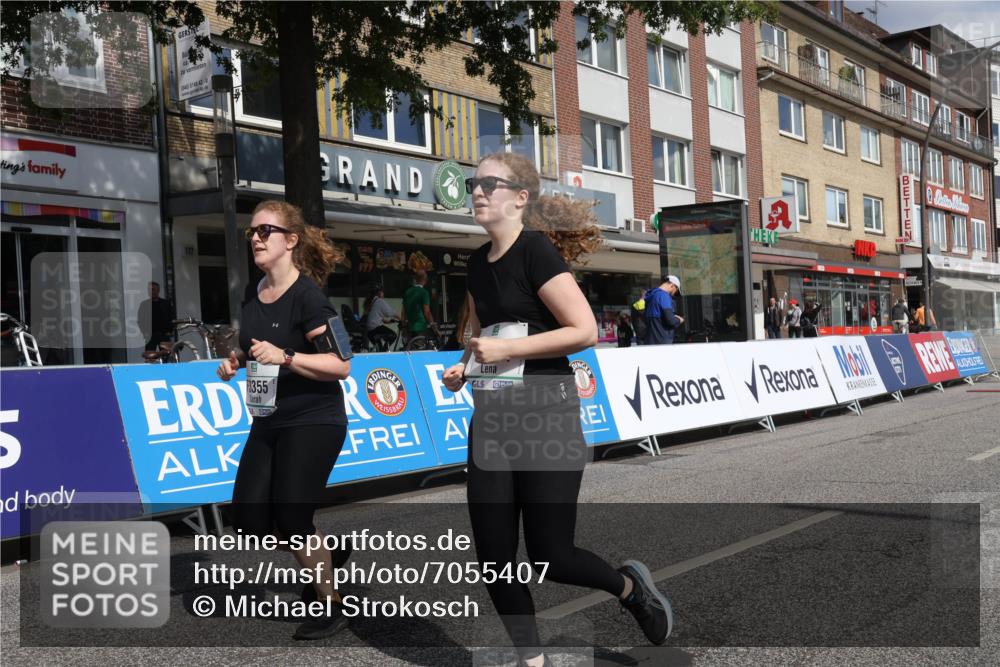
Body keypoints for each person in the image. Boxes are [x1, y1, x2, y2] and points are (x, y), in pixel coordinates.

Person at [441, 153, 673, 667]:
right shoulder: (476, 264)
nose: (477, 191)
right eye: (474, 182)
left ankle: (628, 587)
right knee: (495, 560)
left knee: (551, 557)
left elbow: (584, 331)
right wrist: (464, 366)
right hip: (493, 418)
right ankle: (532, 661)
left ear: (520, 198)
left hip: (547, 413)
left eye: (490, 183)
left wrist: (507, 349)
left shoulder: (536, 252)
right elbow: (479, 336)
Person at [216, 200, 352, 641]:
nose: (255, 239)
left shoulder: (309, 297)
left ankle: (330, 603)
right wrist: (236, 359)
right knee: (249, 520)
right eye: (252, 232)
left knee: (293, 519)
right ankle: (325, 550)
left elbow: (342, 365)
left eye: (265, 231)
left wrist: (287, 356)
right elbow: (256, 344)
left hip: (315, 418)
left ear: (290, 240)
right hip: (269, 417)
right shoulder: (253, 293)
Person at [642, 275, 685, 345]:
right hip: (662, 343)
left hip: (650, 342)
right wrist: (679, 319)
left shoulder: (651, 296)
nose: (673, 294)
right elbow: (671, 321)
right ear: (672, 285)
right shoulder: (663, 296)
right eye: (676, 291)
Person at [400, 269, 439, 344]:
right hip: (421, 327)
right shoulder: (424, 293)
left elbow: (403, 312)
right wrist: (433, 325)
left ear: (416, 279)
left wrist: (403, 326)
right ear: (425, 280)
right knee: (421, 348)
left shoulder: (407, 292)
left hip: (409, 327)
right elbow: (427, 312)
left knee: (410, 348)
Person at [137, 281, 175, 352]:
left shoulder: (165, 303)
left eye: (153, 289)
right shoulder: (144, 304)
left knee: (166, 355)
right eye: (149, 290)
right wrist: (145, 333)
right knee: (150, 355)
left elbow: (171, 317)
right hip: (150, 335)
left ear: (158, 290)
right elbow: (140, 320)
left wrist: (170, 331)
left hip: (164, 334)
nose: (151, 292)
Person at [363, 284, 399, 351]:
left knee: (379, 350)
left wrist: (388, 321)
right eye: (382, 292)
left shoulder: (370, 302)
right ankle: (385, 350)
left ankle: (383, 351)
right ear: (379, 292)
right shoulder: (379, 301)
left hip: (369, 331)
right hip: (375, 329)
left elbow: (375, 317)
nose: (383, 294)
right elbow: (390, 312)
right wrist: (400, 318)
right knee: (393, 335)